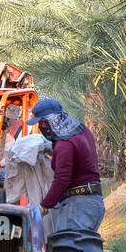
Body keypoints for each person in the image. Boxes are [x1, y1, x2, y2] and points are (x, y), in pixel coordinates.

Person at [28, 98, 103, 233]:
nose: (40, 128)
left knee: (66, 250)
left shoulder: (64, 143)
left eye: (42, 124)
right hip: (94, 202)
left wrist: (45, 206)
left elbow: (62, 179)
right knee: (83, 250)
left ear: (52, 120)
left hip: (77, 206)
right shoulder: (82, 130)